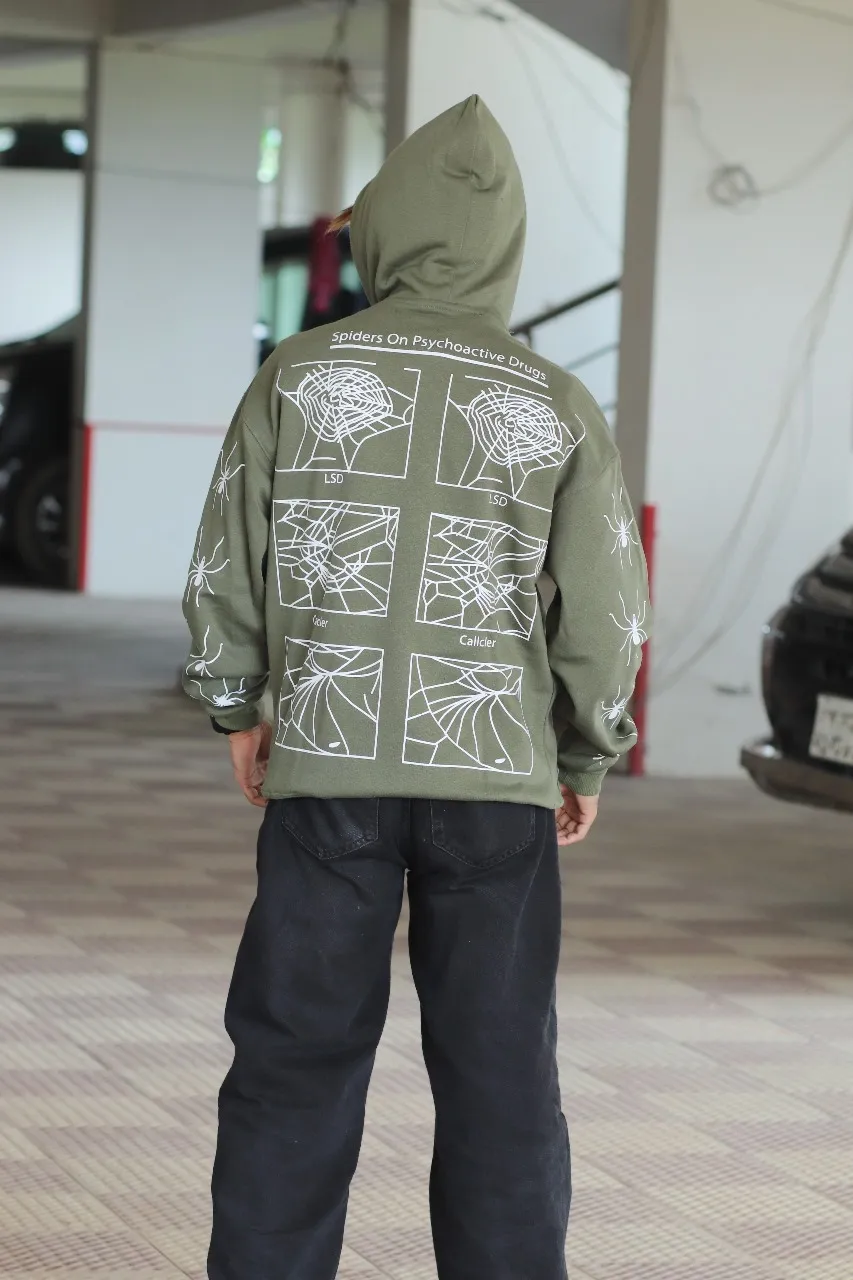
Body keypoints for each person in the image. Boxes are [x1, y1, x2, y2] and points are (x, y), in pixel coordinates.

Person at [183, 95, 648, 1280]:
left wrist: (240, 703)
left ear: (387, 228)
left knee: (292, 1062)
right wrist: (585, 751)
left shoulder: (298, 371)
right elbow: (605, 606)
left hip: (328, 766)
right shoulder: (553, 399)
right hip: (495, 779)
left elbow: (229, 549)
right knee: (501, 1076)